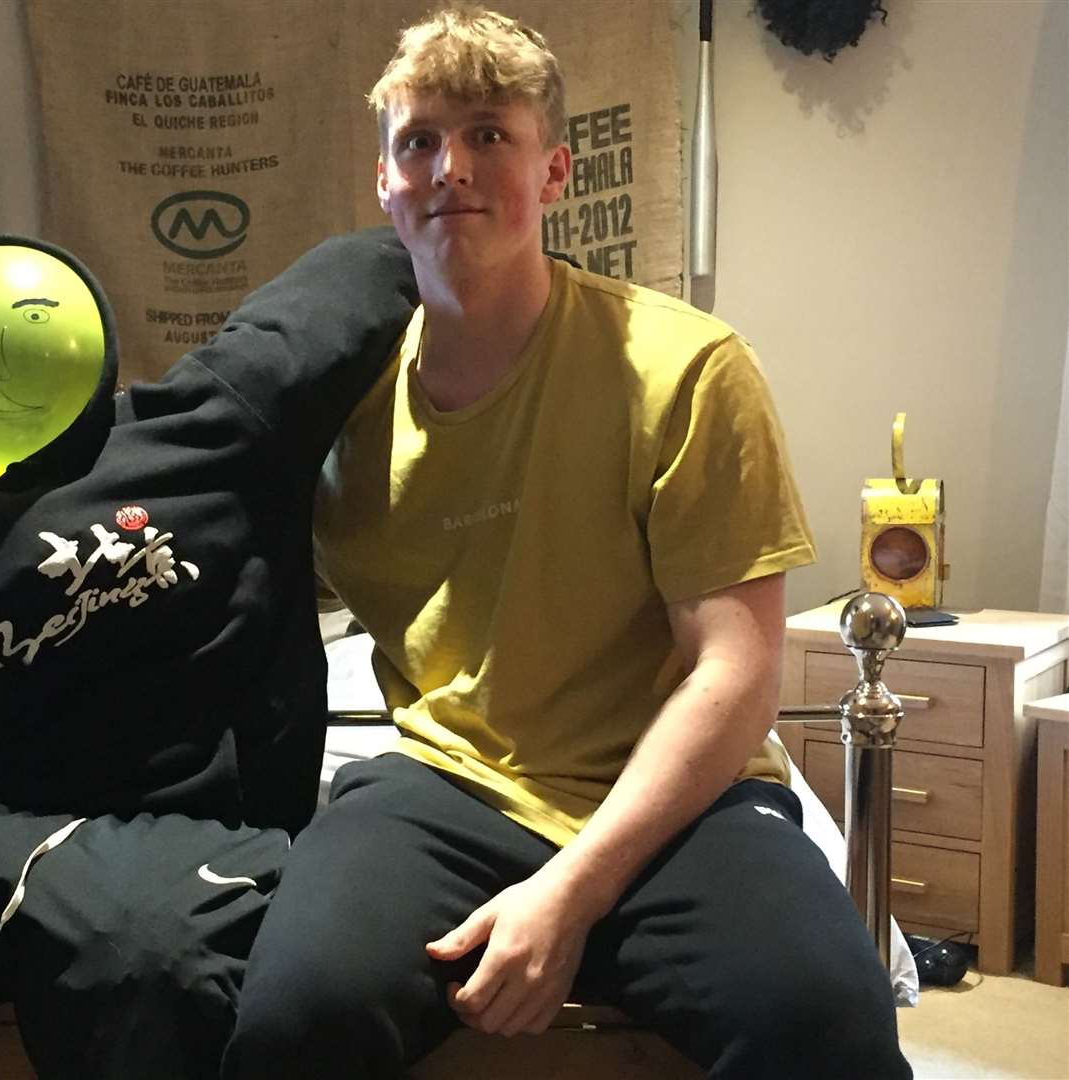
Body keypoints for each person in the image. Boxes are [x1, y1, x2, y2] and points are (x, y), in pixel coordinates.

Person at [223, 7, 912, 1078]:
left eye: (488, 134)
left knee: (825, 1023)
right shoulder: (333, 399)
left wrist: (569, 892)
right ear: (382, 186)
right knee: (290, 1018)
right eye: (419, 141)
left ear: (552, 174)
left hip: (679, 798)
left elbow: (734, 673)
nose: (450, 166)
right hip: (442, 784)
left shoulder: (680, 368)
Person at [0, 230, 417, 1079]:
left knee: (155, 964)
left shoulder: (214, 423)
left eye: (21, 333)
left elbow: (370, 272)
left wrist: (512, 273)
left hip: (192, 833)